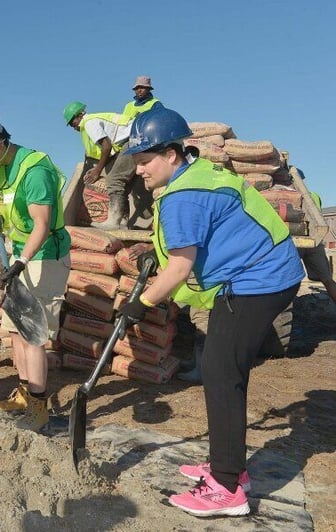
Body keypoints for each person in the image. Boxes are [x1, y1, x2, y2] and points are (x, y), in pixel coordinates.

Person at [116, 106, 304, 517]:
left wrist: (140, 305)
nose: (140, 171)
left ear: (171, 154)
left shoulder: (184, 195)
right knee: (224, 370)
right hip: (262, 272)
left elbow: (180, 268)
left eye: (145, 161)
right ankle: (230, 465)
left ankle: (226, 487)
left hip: (259, 280)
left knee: (220, 372)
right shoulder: (195, 177)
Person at [0, 108, 71, 432]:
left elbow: (42, 225)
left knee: (33, 335)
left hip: (44, 258)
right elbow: (10, 219)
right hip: (18, 258)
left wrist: (22, 261)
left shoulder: (34, 170)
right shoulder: (1, 171)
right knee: (15, 332)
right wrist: (6, 249)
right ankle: (23, 395)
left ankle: (38, 408)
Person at [64, 101, 153, 230]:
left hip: (135, 139)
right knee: (124, 185)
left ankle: (113, 222)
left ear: (79, 116)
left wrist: (97, 170)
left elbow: (106, 145)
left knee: (114, 179)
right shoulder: (92, 120)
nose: (74, 127)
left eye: (73, 123)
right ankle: (122, 222)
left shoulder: (89, 123)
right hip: (139, 138)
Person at [293, 174, 336, 302]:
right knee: (328, 280)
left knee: (291, 279)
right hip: (315, 240)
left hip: (297, 240)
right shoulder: (314, 196)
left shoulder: (288, 196)